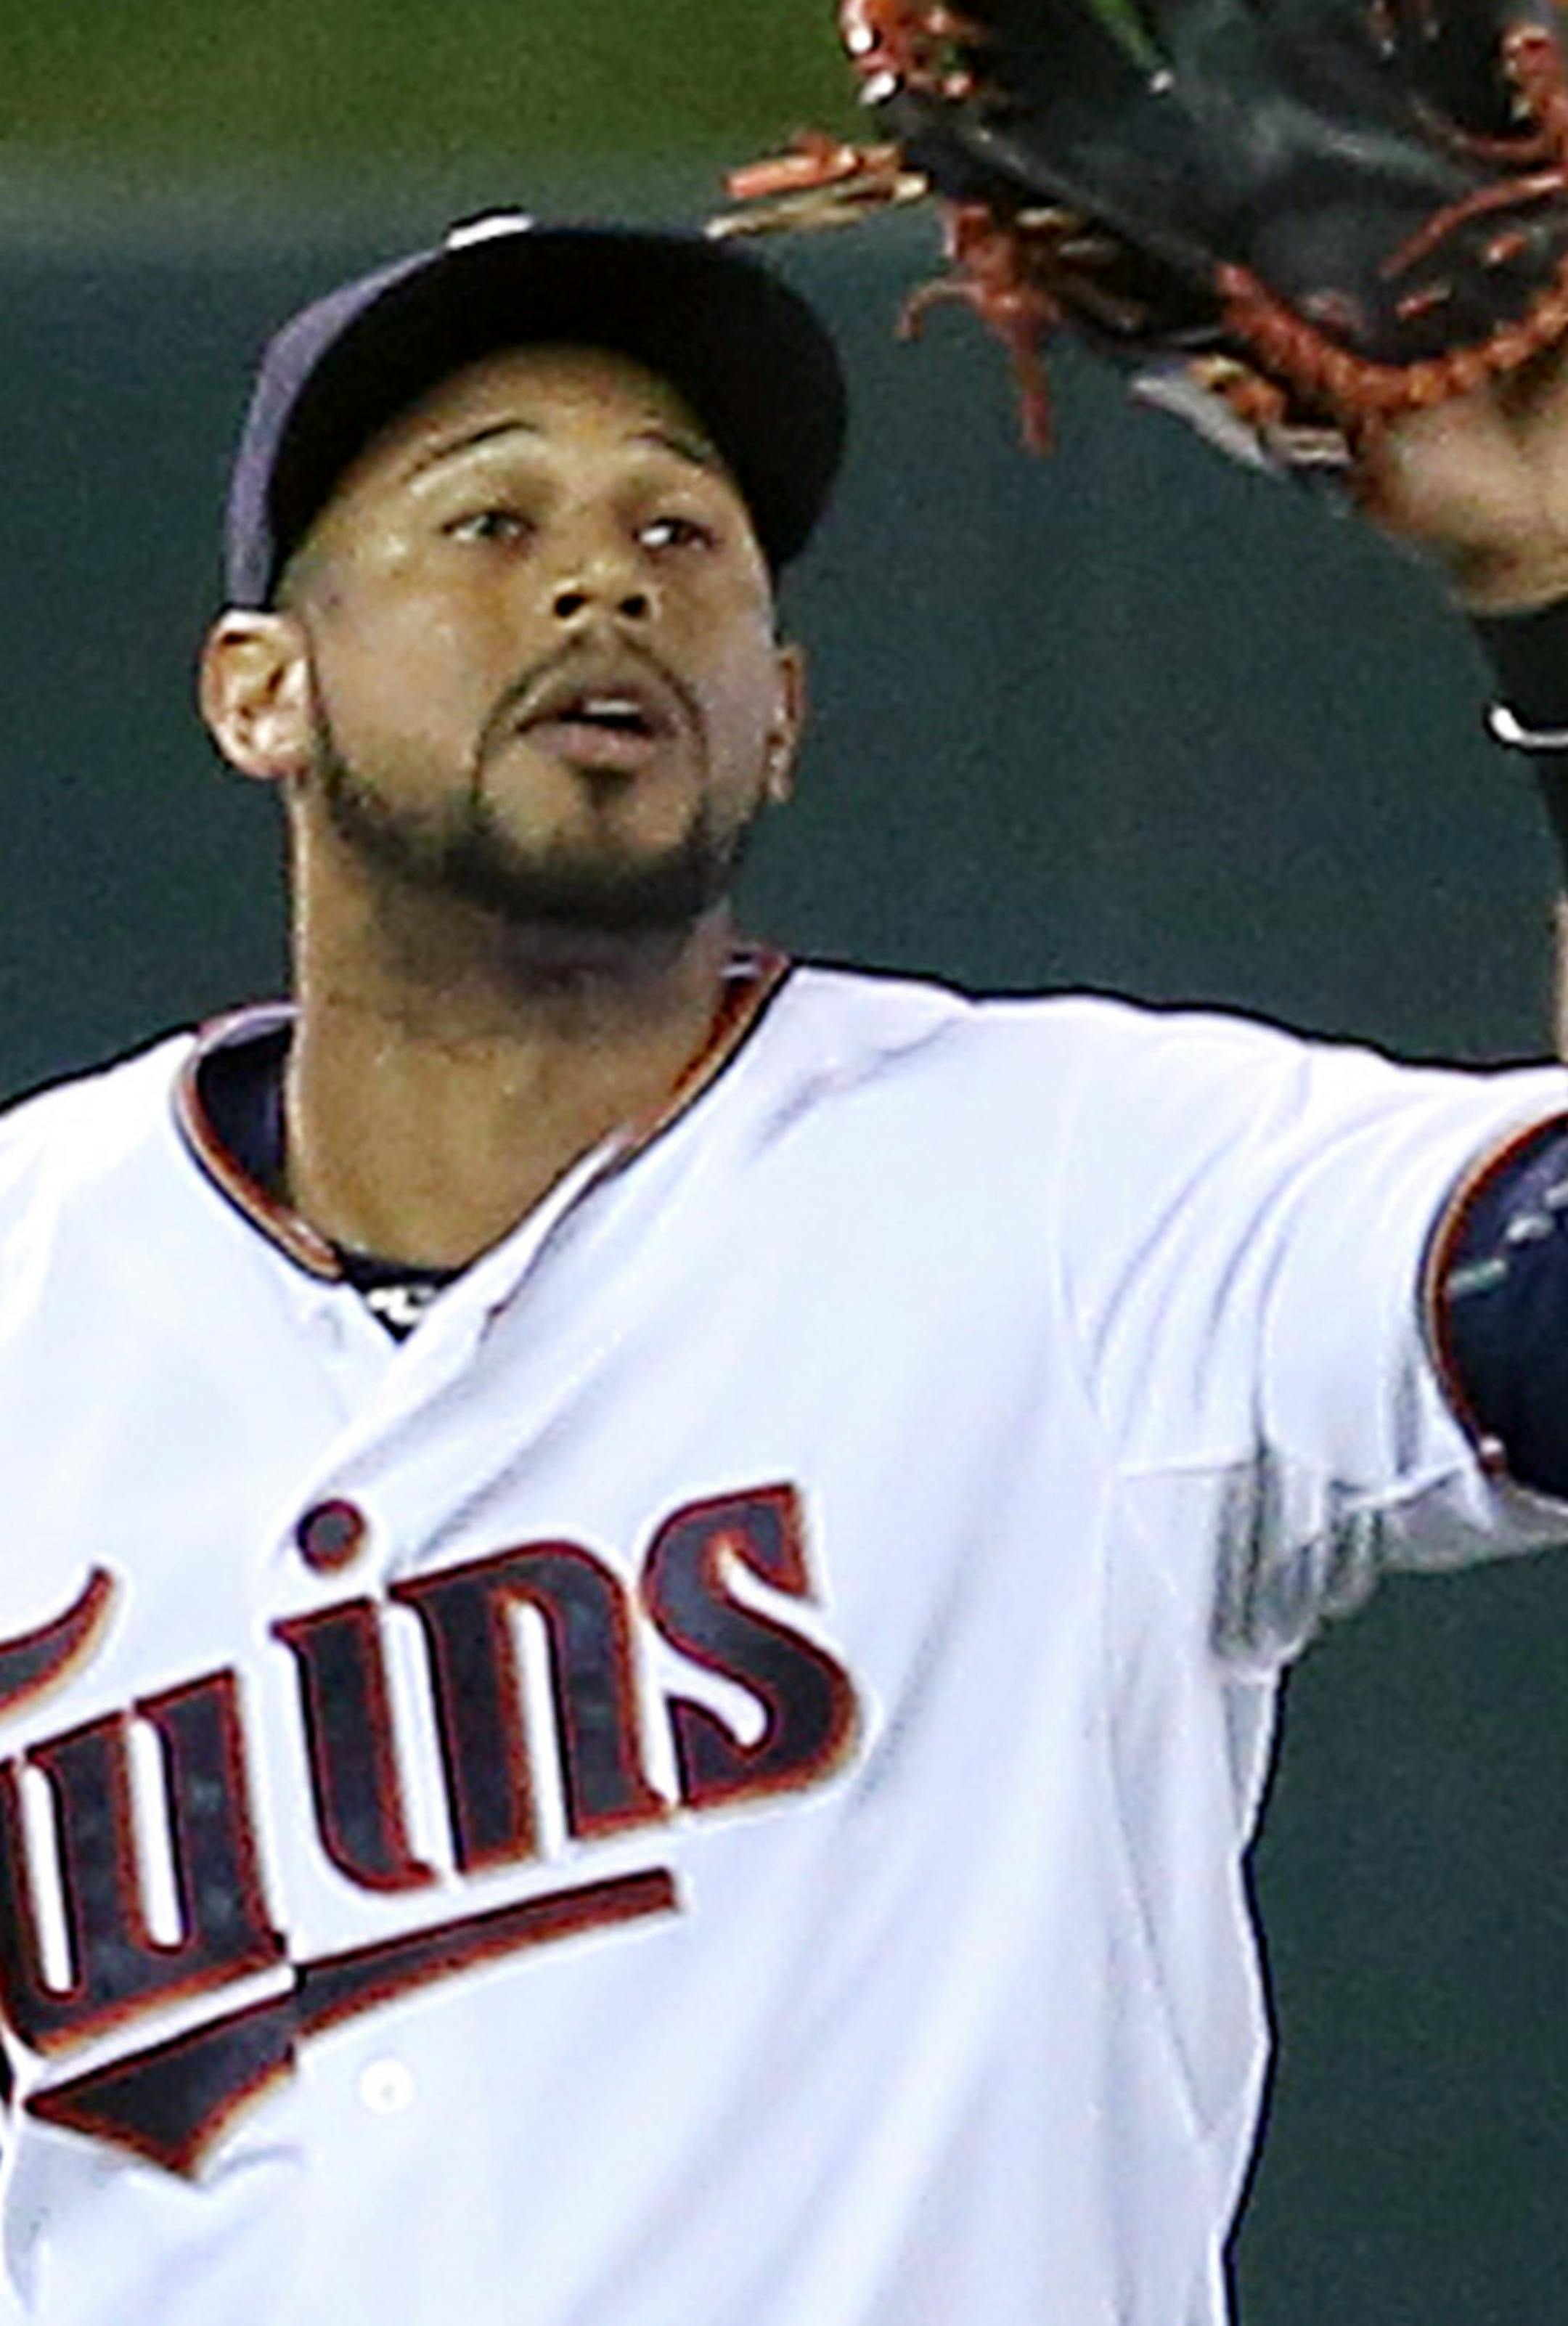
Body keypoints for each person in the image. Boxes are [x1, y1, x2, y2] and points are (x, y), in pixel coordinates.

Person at [1, 208, 1567, 2326]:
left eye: (684, 534)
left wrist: (1557, 617)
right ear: (261, 692)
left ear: (785, 713)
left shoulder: (1082, 1197)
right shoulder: (33, 1277)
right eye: (487, 520)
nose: (600, 578)